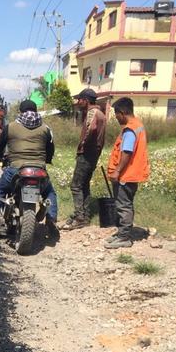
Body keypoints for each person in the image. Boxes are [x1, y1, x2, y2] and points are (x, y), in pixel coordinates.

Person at [0, 100, 57, 235]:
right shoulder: (46, 128)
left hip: (16, 168)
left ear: (21, 111)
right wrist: (47, 160)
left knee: (0, 192)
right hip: (39, 169)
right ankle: (51, 218)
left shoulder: (10, 127)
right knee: (49, 193)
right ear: (36, 111)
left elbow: (1, 145)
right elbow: (50, 148)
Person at [104, 97, 150, 249]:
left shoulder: (130, 129)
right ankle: (122, 232)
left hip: (126, 175)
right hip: (132, 173)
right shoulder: (138, 125)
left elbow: (127, 152)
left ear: (122, 113)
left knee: (124, 206)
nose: (116, 117)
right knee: (124, 204)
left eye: (116, 114)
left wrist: (117, 171)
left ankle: (124, 237)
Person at [62, 88, 107, 230]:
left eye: (80, 99)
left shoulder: (92, 112)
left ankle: (80, 217)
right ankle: (85, 216)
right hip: (94, 155)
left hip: (86, 154)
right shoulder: (101, 114)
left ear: (86, 100)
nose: (78, 102)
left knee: (75, 186)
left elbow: (92, 128)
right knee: (84, 185)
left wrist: (83, 143)